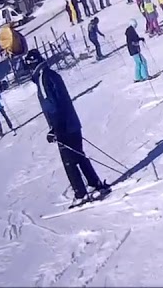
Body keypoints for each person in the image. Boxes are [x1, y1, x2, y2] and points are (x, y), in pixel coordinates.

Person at [23, 49, 110, 208]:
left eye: (28, 67)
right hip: (71, 123)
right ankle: (95, 183)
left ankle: (81, 194)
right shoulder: (51, 74)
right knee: (79, 155)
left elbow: (52, 105)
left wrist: (55, 128)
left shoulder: (43, 78)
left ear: (32, 65)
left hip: (63, 126)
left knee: (69, 162)